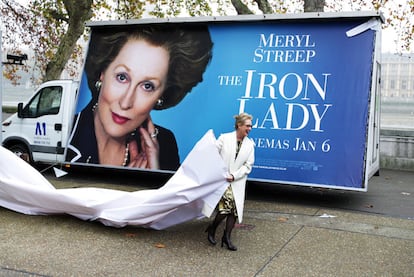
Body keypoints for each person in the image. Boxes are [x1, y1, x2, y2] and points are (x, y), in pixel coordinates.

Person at [66, 24, 213, 171]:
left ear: (161, 95)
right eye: (122, 77)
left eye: (147, 86)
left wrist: (153, 175)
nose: (126, 102)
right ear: (102, 73)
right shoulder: (64, 132)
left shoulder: (165, 144)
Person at [205, 112, 255, 251]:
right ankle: (212, 228)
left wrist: (234, 176)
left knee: (234, 211)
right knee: (228, 206)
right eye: (247, 126)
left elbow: (248, 165)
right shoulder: (224, 138)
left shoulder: (250, 145)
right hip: (222, 180)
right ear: (239, 125)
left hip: (237, 181)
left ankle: (226, 237)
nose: (250, 128)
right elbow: (211, 154)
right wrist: (220, 172)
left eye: (251, 126)